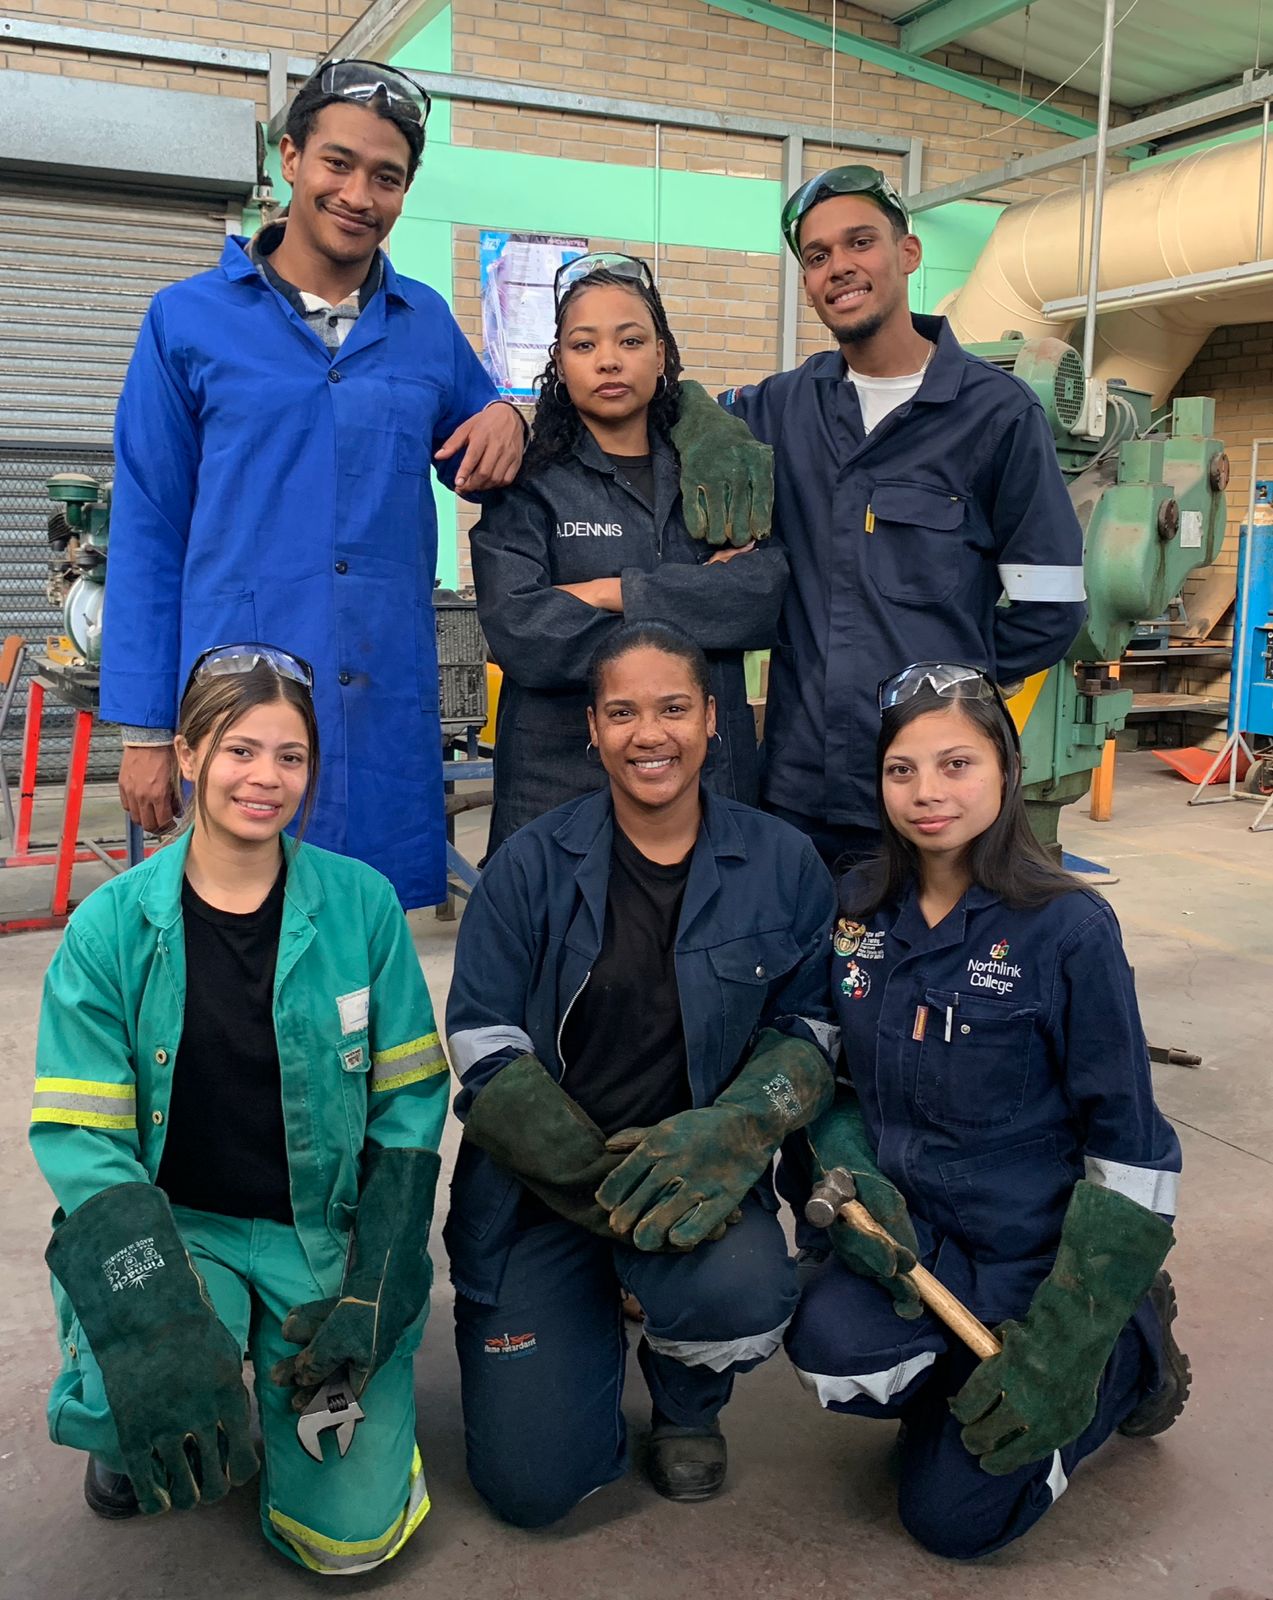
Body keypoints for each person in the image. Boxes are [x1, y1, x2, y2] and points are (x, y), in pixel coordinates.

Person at [30, 643, 449, 1575]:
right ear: (187, 754)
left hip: (316, 1230)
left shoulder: (362, 906)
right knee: (134, 1395)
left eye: (290, 756)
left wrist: (379, 1272)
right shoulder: (111, 928)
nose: (265, 778)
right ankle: (130, 1419)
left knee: (345, 1543)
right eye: (239, 750)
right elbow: (83, 1135)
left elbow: (410, 1101)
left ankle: (325, 1442)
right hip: (180, 1229)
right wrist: (155, 1318)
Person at [783, 662, 1189, 1559]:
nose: (927, 792)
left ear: (1006, 770)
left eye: (956, 764)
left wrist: (1065, 1345)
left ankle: (1126, 1357)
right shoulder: (856, 910)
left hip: (1031, 1261)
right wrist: (846, 1159)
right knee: (826, 1345)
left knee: (952, 1524)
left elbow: (1132, 1151)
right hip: (916, 1247)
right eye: (901, 770)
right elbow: (823, 1073)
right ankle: (958, 1389)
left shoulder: (1067, 930)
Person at [103, 58, 527, 909]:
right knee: (235, 935)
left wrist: (513, 414)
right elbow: (148, 529)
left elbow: (486, 458)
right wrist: (145, 730)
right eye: (338, 163)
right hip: (236, 712)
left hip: (378, 707)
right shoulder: (186, 321)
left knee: (362, 939)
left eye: (386, 177)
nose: (358, 195)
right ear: (291, 158)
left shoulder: (424, 325)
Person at [443, 621, 838, 1524]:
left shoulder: (780, 864)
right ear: (592, 728)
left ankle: (685, 1402)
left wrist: (736, 1129)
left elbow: (810, 1028)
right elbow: (481, 1042)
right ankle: (582, 1318)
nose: (648, 735)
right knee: (533, 1488)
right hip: (543, 1192)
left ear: (711, 718)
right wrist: (596, 1182)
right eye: (621, 713)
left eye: (672, 709)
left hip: (696, 1182)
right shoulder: (529, 865)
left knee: (743, 1293)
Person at [697, 165, 1089, 870]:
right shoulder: (781, 409)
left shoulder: (997, 415)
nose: (839, 267)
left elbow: (1051, 607)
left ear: (907, 253)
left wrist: (952, 691)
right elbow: (651, 410)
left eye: (860, 242)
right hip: (799, 792)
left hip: (933, 804)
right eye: (817, 256)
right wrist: (507, 417)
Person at [471, 253, 784, 855]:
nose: (609, 360)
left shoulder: (714, 470)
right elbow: (523, 632)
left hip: (708, 779)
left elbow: (759, 596)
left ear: (661, 356)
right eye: (584, 345)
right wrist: (697, 603)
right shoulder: (528, 483)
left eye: (631, 340)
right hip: (559, 785)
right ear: (560, 363)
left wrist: (611, 593)